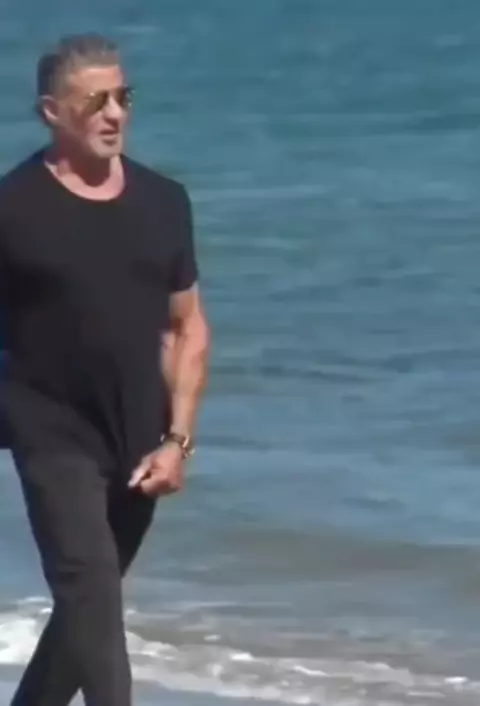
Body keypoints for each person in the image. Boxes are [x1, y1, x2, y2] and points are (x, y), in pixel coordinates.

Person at [0, 33, 211, 706]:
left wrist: (177, 440)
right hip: (49, 435)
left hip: (138, 442)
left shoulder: (164, 202)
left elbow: (187, 328)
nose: (114, 113)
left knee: (83, 618)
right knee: (94, 602)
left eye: (123, 97)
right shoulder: (11, 209)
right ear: (51, 113)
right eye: (95, 101)